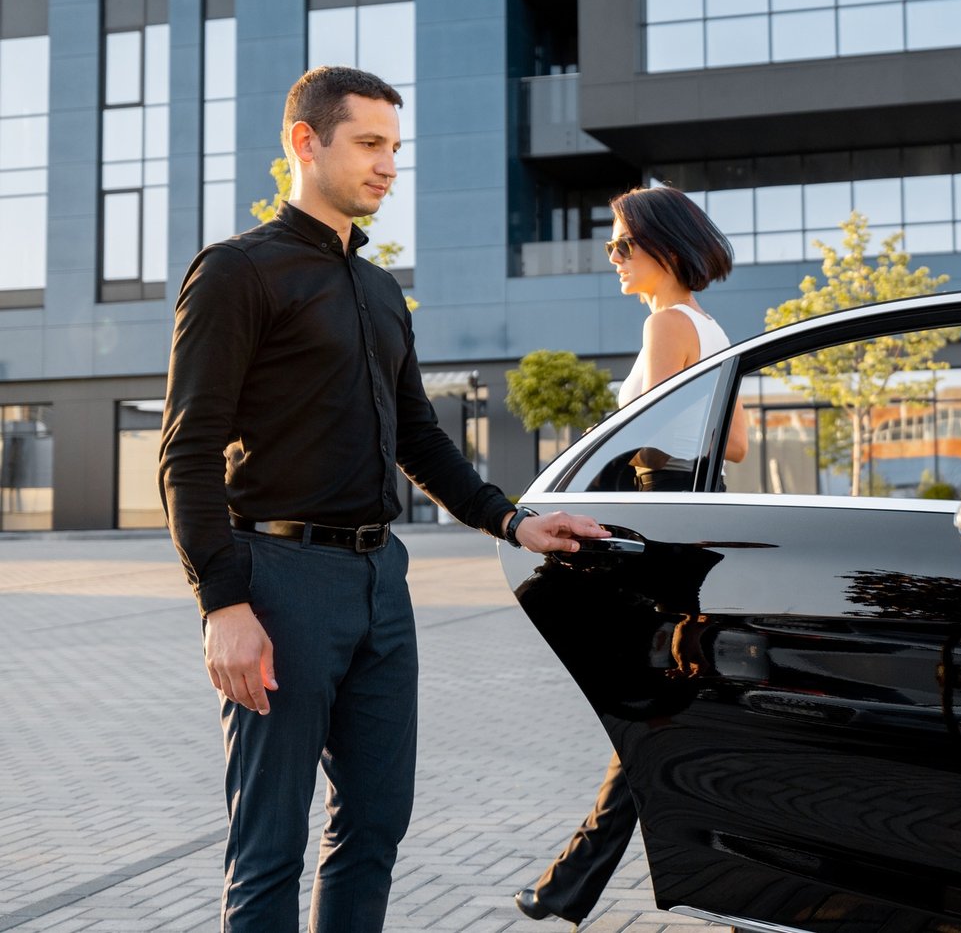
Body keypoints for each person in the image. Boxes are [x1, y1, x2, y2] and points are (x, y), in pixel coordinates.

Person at [159, 64, 608, 933]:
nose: (388, 167)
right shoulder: (237, 273)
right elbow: (187, 449)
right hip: (279, 581)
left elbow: (419, 436)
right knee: (268, 848)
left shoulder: (379, 288)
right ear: (305, 141)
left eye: (395, 149)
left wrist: (511, 520)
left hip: (380, 586)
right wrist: (224, 602)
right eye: (369, 144)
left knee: (374, 828)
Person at [513, 185, 743, 925]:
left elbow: (641, 441)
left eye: (621, 245)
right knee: (660, 714)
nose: (612, 258)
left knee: (648, 714)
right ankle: (571, 882)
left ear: (664, 248)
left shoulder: (669, 324)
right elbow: (732, 445)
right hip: (691, 528)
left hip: (656, 531)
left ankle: (576, 882)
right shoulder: (711, 326)